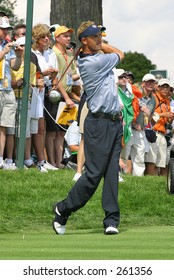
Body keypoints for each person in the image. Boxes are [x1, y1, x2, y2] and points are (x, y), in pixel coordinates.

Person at [53, 21, 124, 235]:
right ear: (84, 41)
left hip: (114, 121)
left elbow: (108, 49)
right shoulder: (91, 63)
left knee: (112, 172)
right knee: (93, 174)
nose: (100, 39)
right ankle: (63, 208)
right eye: (95, 37)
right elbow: (120, 53)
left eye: (100, 36)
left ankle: (111, 220)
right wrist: (101, 46)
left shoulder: (94, 57)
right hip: (98, 123)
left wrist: (96, 43)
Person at [52, 25, 80, 167]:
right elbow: (55, 79)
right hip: (57, 96)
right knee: (53, 132)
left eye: (69, 36)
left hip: (67, 96)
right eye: (65, 36)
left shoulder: (69, 54)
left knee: (62, 132)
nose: (68, 38)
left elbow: (72, 75)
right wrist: (67, 97)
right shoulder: (54, 53)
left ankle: (60, 162)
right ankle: (54, 162)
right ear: (57, 38)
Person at [0, 14, 23, 169]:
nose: (5, 32)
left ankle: (0, 159)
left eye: (6, 29)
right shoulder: (5, 47)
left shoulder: (6, 44)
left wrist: (19, 56)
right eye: (2, 29)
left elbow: (14, 66)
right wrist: (3, 52)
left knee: (4, 126)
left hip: (7, 89)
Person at [152, 78, 174, 176]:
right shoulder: (154, 98)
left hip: (163, 133)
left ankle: (160, 182)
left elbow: (168, 120)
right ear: (158, 88)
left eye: (167, 87)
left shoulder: (167, 102)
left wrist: (170, 118)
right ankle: (151, 182)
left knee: (163, 162)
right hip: (153, 132)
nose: (165, 89)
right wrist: (164, 114)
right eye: (163, 87)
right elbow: (149, 115)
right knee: (153, 161)